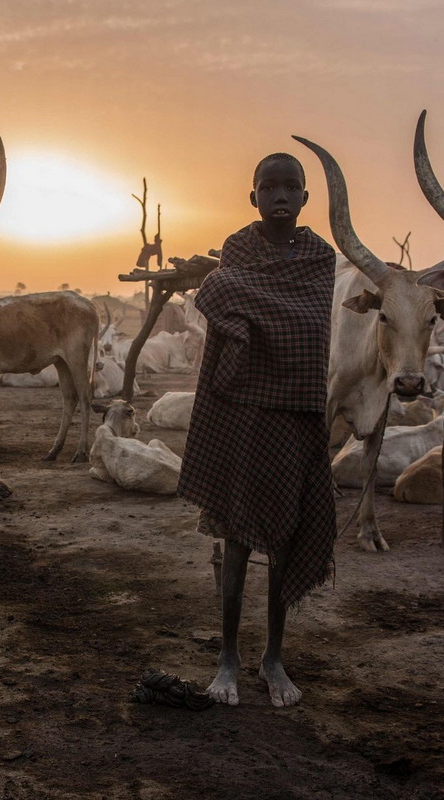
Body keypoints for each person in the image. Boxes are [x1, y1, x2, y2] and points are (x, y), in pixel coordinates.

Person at [177, 152, 337, 707]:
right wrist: (261, 312)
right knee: (238, 538)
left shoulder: (319, 258)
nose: (279, 196)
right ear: (253, 197)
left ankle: (273, 657)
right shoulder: (237, 252)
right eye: (268, 187)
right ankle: (227, 657)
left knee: (286, 540)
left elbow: (308, 325)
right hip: (242, 411)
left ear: (304, 197)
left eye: (290, 187)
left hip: (294, 413)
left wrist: (260, 314)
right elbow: (222, 296)